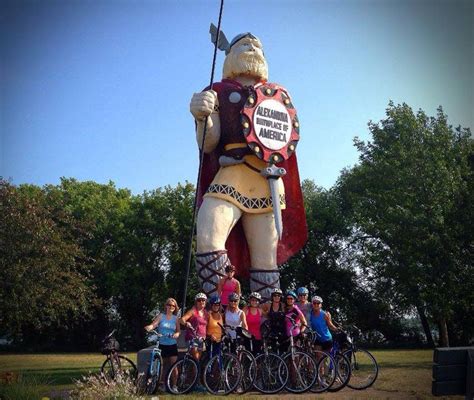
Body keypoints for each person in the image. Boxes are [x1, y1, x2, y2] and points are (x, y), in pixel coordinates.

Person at [191, 30, 307, 301]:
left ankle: (268, 317)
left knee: (266, 258)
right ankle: (216, 310)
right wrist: (202, 117)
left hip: (267, 179)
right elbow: (209, 143)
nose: (252, 48)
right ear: (229, 55)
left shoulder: (276, 95)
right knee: (208, 235)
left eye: (257, 47)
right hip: (230, 174)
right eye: (244, 45)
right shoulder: (217, 92)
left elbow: (285, 139)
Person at [144, 297, 180, 389]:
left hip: (172, 344)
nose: (171, 307)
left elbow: (178, 331)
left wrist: (176, 335)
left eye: (173, 305)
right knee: (161, 366)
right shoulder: (161, 316)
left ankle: (175, 385)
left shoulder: (176, 319)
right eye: (169, 305)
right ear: (166, 306)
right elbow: (154, 324)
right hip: (162, 344)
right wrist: (149, 327)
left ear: (175, 307)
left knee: (174, 366)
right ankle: (162, 384)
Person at [180, 293, 208, 361]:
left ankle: (194, 371)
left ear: (205, 301)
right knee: (196, 358)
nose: (201, 302)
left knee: (196, 360)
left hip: (202, 338)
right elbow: (182, 319)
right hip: (193, 337)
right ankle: (196, 371)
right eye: (199, 300)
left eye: (203, 300)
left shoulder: (206, 313)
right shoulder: (192, 311)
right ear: (196, 302)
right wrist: (186, 323)